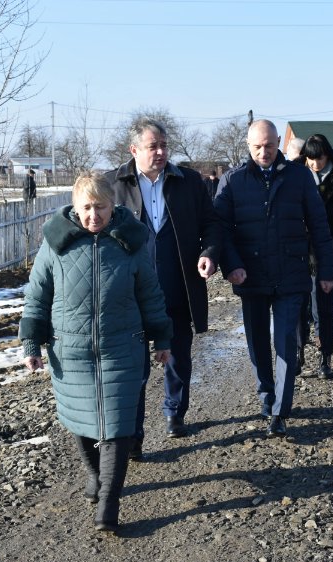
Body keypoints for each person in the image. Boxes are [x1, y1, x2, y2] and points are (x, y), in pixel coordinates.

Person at [19, 171, 173, 533]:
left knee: (118, 425)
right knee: (81, 418)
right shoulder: (56, 243)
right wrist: (31, 343)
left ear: (112, 205)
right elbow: (37, 295)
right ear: (75, 207)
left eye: (100, 207)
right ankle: (95, 473)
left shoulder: (130, 241)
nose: (94, 215)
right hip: (70, 350)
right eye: (87, 208)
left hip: (123, 346)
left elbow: (150, 293)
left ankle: (109, 502)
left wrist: (162, 339)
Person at [107, 117, 223, 458]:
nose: (160, 152)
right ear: (134, 150)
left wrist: (208, 253)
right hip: (130, 291)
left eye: (163, 146)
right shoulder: (113, 184)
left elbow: (212, 223)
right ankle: (133, 433)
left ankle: (175, 412)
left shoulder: (188, 182)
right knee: (134, 365)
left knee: (178, 354)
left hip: (178, 282)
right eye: (152, 146)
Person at [214, 120, 333, 437]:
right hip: (250, 276)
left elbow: (319, 225)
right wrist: (231, 265)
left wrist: (327, 270)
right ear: (248, 145)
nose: (263, 152)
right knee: (257, 343)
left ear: (279, 142)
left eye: (269, 145)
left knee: (285, 341)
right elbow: (220, 230)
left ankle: (280, 411)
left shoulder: (298, 177)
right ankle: (266, 396)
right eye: (257, 146)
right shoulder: (233, 180)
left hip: (290, 273)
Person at [292, 133, 333, 378]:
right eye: (311, 159)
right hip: (298, 247)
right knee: (298, 302)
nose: (315, 164)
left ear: (327, 155)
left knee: (325, 304)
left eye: (319, 158)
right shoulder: (295, 173)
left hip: (329, 246)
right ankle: (298, 353)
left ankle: (325, 356)